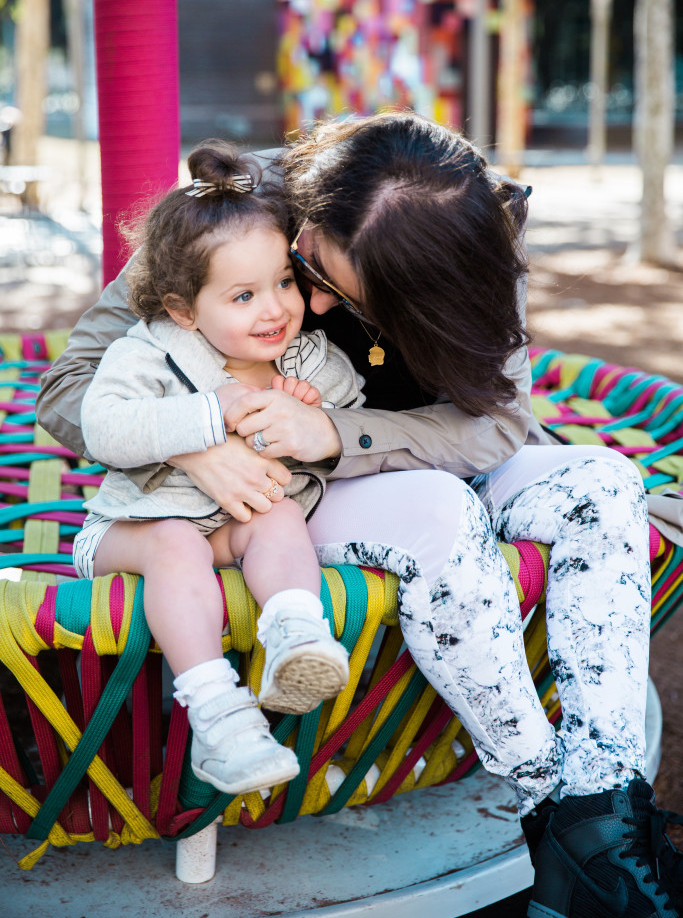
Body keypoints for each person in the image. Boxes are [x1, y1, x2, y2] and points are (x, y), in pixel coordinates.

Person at [37, 112, 681, 917]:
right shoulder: (229, 213)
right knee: (441, 511)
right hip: (302, 494)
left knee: (604, 483)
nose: (303, 300)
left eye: (335, 295)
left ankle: (600, 830)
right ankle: (549, 808)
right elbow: (71, 389)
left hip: (418, 453)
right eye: (313, 270)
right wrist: (202, 438)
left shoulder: (476, 231)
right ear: (304, 220)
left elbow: (497, 422)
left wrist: (338, 428)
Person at [71, 141, 357, 797]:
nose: (275, 309)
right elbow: (103, 426)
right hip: (129, 533)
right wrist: (210, 412)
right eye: (243, 295)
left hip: (225, 530)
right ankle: (217, 718)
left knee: (278, 513)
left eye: (284, 282)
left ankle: (294, 633)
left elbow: (348, 408)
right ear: (182, 309)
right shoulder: (150, 350)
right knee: (175, 541)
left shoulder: (302, 358)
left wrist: (319, 409)